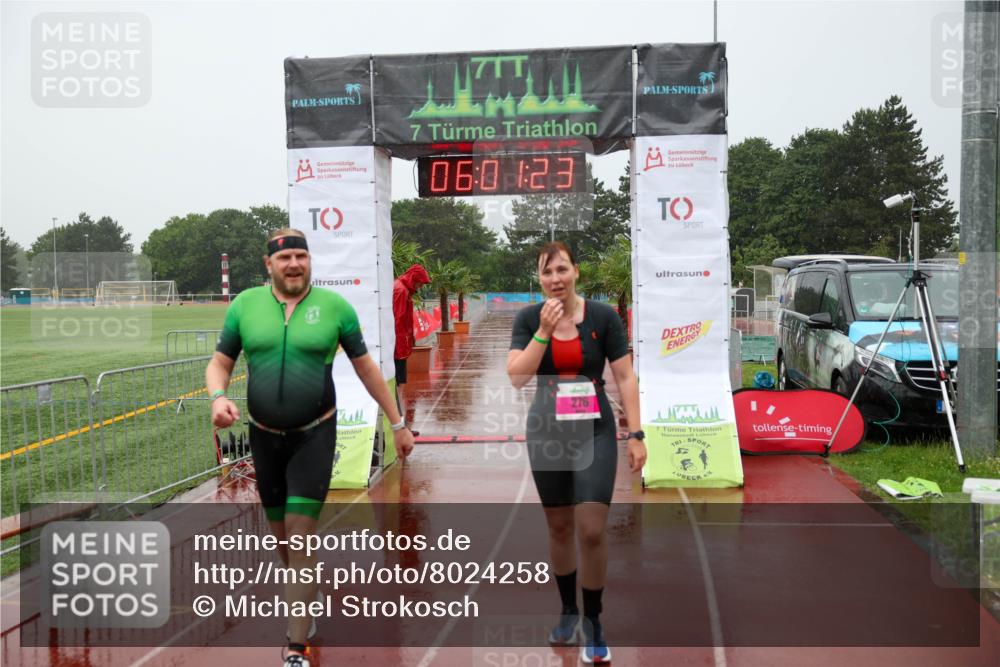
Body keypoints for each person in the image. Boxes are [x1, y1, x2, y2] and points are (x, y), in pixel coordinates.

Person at [205, 228, 414, 667]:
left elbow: (367, 370)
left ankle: (295, 647)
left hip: (314, 436)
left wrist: (397, 423)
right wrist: (218, 397)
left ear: (309, 260)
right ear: (269, 264)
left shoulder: (335, 308)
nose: (294, 264)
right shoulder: (245, 306)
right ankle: (306, 591)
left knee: (300, 537)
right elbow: (219, 363)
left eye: (301, 256)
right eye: (285, 258)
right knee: (282, 538)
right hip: (264, 438)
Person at [507, 242, 645, 664]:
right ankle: (568, 610)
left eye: (562, 269)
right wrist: (543, 332)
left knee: (591, 528)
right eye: (547, 272)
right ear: (539, 278)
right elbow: (517, 376)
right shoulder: (528, 318)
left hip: (594, 431)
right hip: (546, 432)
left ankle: (594, 620)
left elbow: (625, 376)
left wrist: (636, 433)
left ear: (576, 272)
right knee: (560, 527)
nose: (555, 279)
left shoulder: (603, 317)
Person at [392, 264, 431, 433]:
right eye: (420, 282)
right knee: (398, 386)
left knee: (399, 385)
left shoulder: (401, 289)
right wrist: (403, 347)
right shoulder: (401, 291)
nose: (421, 286)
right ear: (414, 279)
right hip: (398, 346)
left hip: (399, 344)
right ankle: (400, 427)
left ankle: (401, 425)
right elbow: (398, 320)